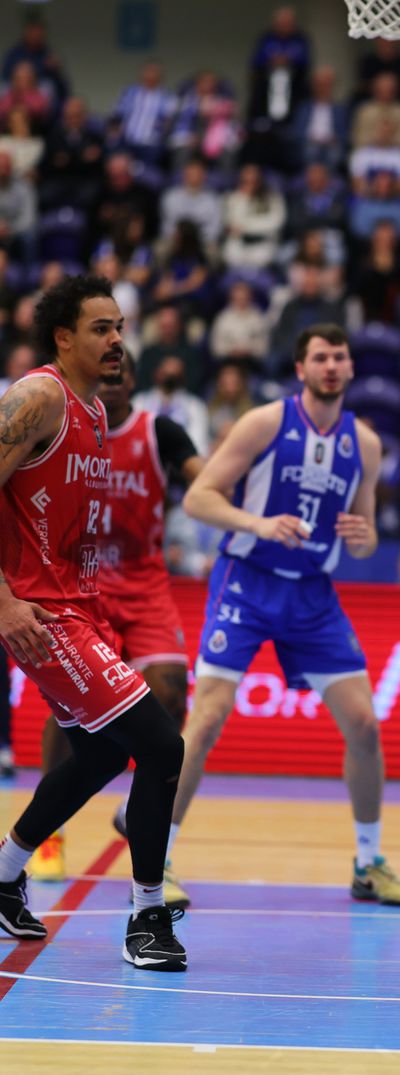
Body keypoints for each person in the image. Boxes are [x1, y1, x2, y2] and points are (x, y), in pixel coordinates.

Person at [174, 323, 400, 907]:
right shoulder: (264, 422)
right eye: (320, 357)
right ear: (300, 369)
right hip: (247, 582)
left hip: (312, 593)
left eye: (339, 356)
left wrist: (363, 537)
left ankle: (368, 862)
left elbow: (358, 539)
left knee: (364, 724)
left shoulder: (365, 443)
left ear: (352, 368)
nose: (331, 365)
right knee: (205, 719)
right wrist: (258, 524)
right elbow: (197, 497)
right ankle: (155, 858)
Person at [0, 274, 186, 970]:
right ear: (64, 337)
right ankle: (146, 917)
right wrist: (6, 602)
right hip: (40, 615)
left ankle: (5, 872)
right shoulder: (39, 396)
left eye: (120, 327)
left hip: (80, 606)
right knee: (162, 745)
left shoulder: (96, 412)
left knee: (106, 753)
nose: (116, 339)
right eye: (101, 328)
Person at [29, 353, 204, 907]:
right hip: (86, 584)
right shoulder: (61, 419)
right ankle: (48, 837)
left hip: (145, 582)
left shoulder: (160, 431)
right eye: (108, 363)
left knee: (170, 692)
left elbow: (204, 482)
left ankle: (136, 814)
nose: (115, 374)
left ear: (134, 382)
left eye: (125, 369)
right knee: (74, 722)